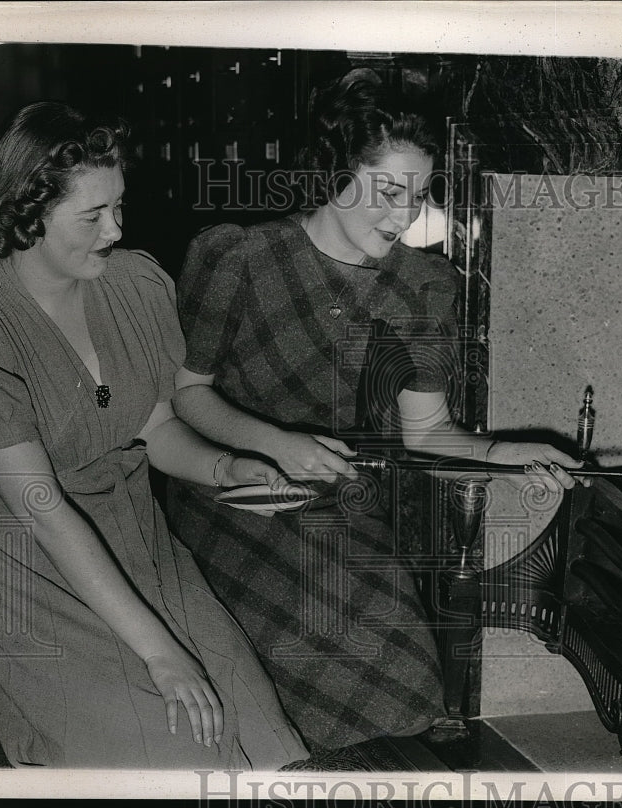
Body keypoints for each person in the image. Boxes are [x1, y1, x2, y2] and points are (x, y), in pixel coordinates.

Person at [166, 70, 581, 754]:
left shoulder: (426, 286)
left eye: (419, 195)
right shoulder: (237, 257)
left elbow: (428, 432)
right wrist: (273, 443)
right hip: (228, 495)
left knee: (404, 682)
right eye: (388, 192)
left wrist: (508, 455)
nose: (404, 216)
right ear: (336, 171)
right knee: (273, 685)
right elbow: (187, 393)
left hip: (337, 506)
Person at [0, 101, 309, 769]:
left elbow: (155, 427)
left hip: (142, 545)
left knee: (267, 746)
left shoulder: (135, 283)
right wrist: (161, 652)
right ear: (27, 214)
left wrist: (227, 468)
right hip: (37, 570)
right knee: (179, 755)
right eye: (92, 216)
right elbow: (42, 510)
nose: (116, 228)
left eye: (119, 205)